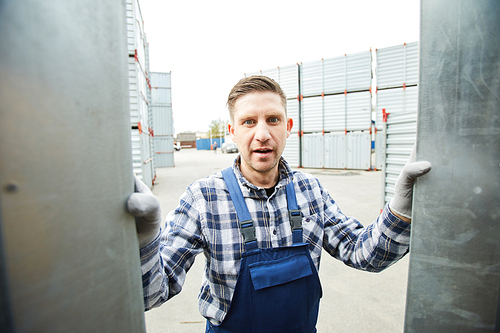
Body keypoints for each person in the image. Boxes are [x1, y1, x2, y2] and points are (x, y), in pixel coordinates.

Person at [127, 76, 432, 333]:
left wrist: (400, 209)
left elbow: (365, 254)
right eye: (248, 122)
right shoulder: (203, 198)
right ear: (232, 131)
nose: (262, 134)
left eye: (272, 120)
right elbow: (151, 294)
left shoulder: (310, 190)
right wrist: (144, 243)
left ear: (287, 126)